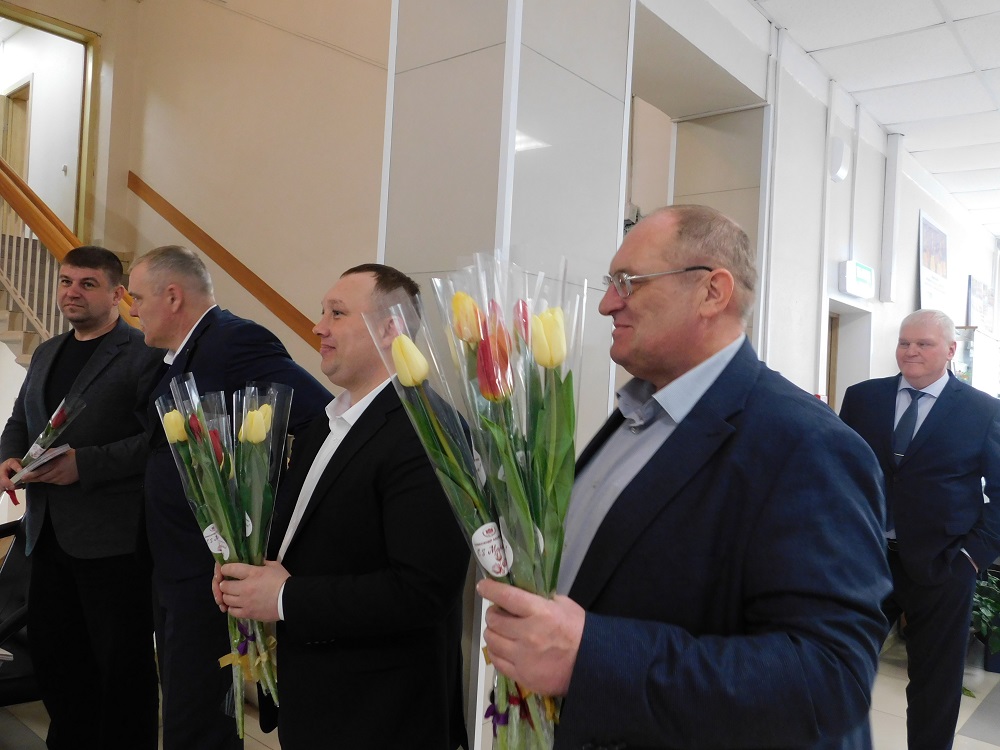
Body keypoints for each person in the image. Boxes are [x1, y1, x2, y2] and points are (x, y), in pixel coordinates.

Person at [477, 205, 893, 750]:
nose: (606, 304)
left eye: (628, 282)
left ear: (712, 292)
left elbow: (830, 680)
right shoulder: (635, 415)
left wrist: (592, 657)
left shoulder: (807, 446)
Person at [214, 264, 470, 749]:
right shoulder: (325, 424)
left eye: (337, 313)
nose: (318, 327)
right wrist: (246, 573)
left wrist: (284, 598)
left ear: (390, 329)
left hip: (380, 714)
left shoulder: (427, 431)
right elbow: (311, 538)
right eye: (322, 312)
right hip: (318, 697)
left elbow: (423, 590)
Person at [128, 245, 331, 750]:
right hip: (173, 562)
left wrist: (261, 518)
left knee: (198, 717)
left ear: (172, 296)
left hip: (210, 568)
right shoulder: (173, 356)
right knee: (183, 704)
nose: (132, 310)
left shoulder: (235, 340)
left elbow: (318, 419)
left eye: (138, 298)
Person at [0, 246, 161, 750]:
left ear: (118, 294)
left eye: (88, 283)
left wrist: (84, 465)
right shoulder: (48, 351)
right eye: (66, 281)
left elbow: (158, 441)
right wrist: (8, 456)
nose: (72, 292)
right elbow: (21, 419)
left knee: (120, 666)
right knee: (57, 658)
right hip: (46, 533)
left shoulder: (144, 353)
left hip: (113, 541)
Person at [840, 309, 1000, 750]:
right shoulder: (863, 398)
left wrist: (972, 557)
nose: (910, 351)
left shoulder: (983, 410)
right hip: (866, 561)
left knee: (934, 684)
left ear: (950, 350)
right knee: (839, 663)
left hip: (943, 566)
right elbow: (839, 469)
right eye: (904, 342)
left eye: (923, 344)